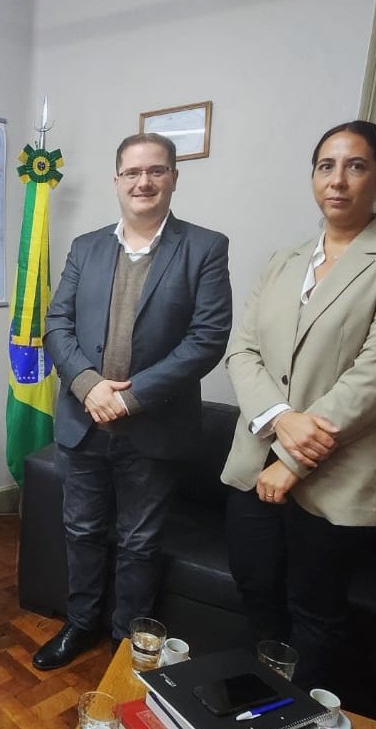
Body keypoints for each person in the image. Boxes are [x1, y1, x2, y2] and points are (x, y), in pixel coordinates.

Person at [221, 120, 376, 693]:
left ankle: (302, 714)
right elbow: (242, 351)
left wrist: (294, 460)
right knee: (256, 595)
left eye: (356, 166)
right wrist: (280, 420)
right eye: (326, 167)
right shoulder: (282, 259)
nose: (338, 181)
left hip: (338, 476)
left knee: (314, 612)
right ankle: (263, 705)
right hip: (253, 466)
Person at [34, 132, 232, 670]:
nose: (144, 181)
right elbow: (56, 324)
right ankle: (79, 626)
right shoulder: (87, 247)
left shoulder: (205, 248)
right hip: (83, 422)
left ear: (173, 177)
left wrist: (132, 398)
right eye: (132, 172)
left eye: (156, 170)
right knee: (81, 531)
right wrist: (88, 386)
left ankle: (125, 645)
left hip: (153, 429)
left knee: (141, 544)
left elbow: (207, 338)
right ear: (117, 180)